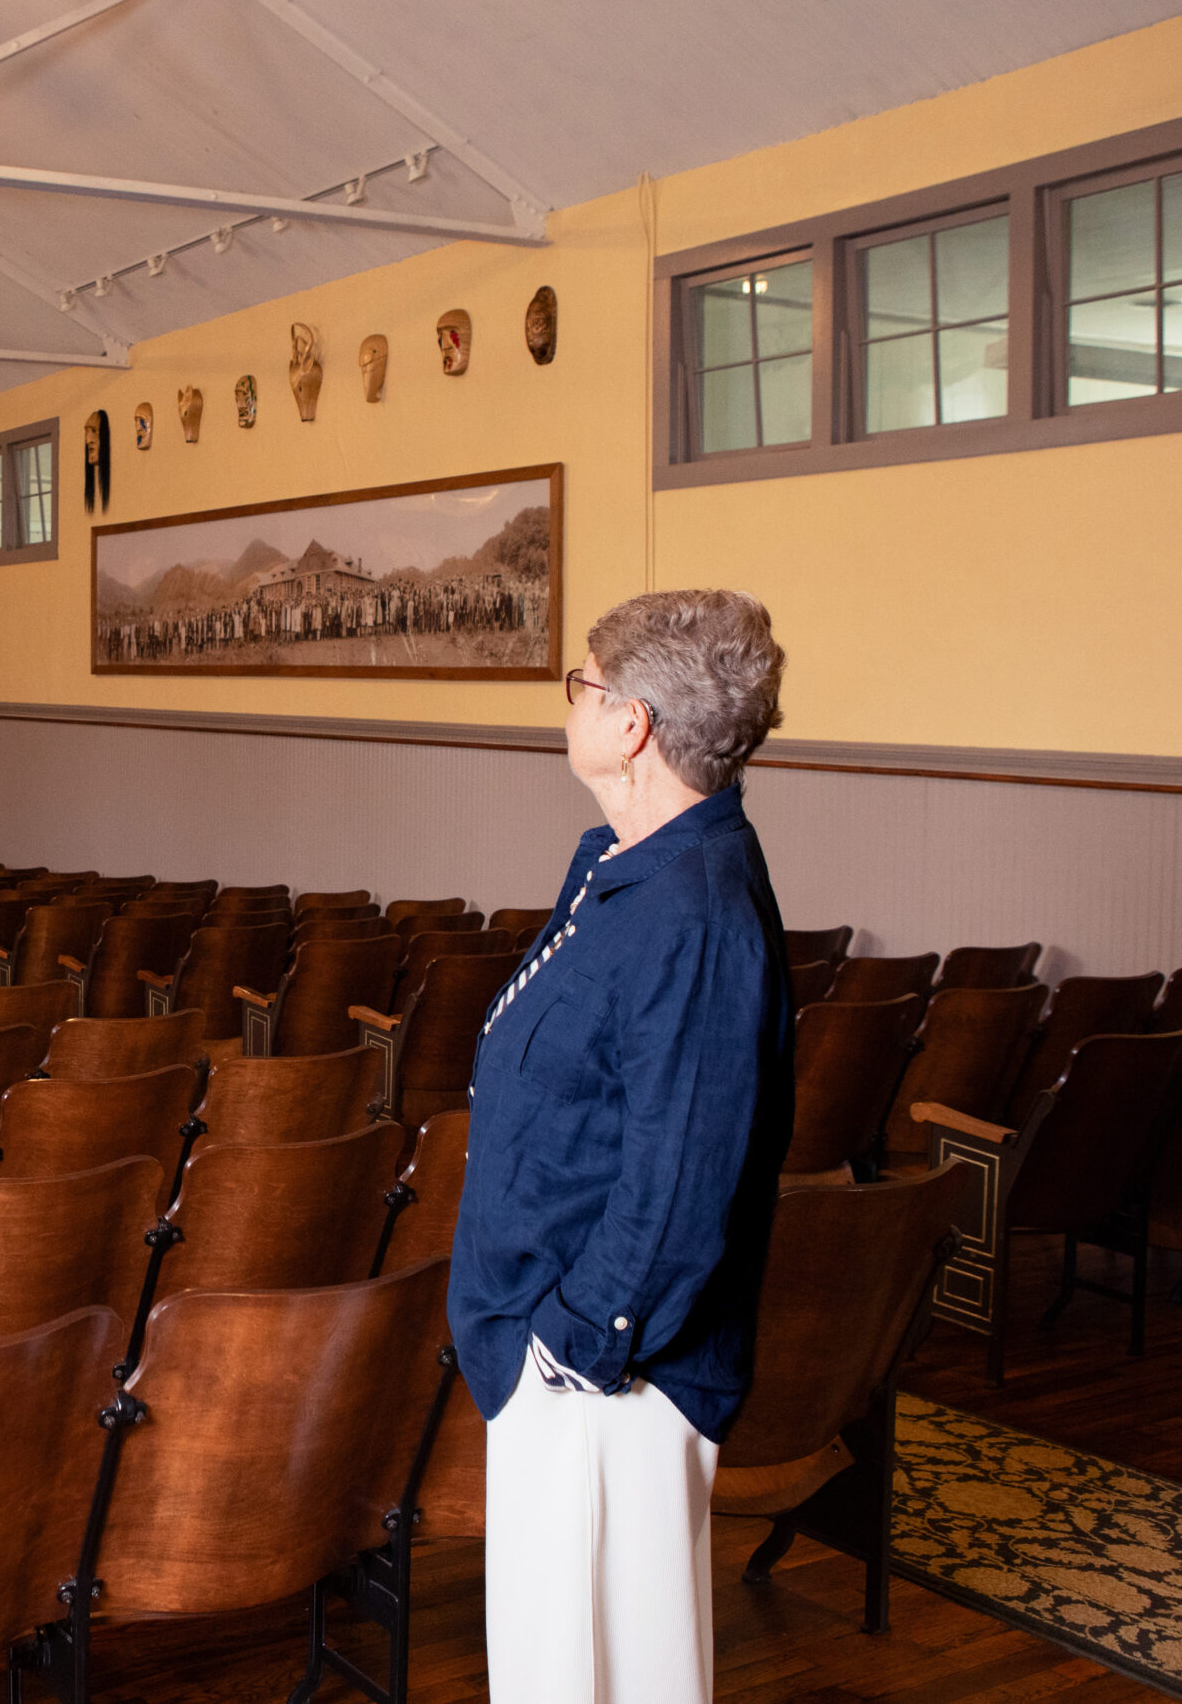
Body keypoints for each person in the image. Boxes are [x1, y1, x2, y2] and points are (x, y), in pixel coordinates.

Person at [450, 588, 795, 1704]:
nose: (572, 701)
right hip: (564, 1352)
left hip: (603, 1377)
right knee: (561, 1669)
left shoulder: (690, 906)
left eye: (585, 684)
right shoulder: (626, 857)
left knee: (597, 1679)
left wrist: (572, 1348)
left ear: (633, 723)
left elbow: (681, 1171)